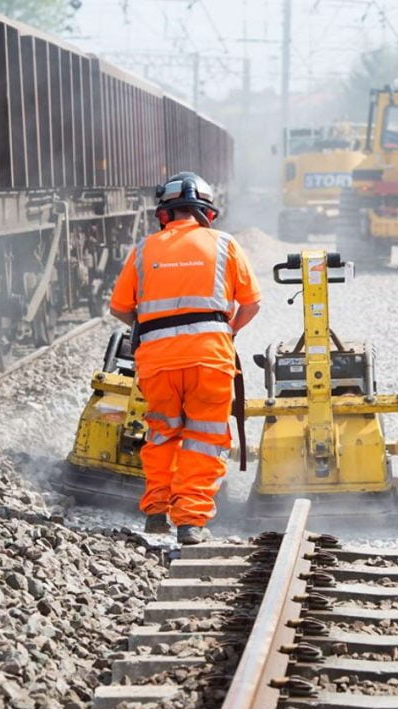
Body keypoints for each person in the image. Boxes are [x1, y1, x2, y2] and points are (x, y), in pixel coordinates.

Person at [108, 172, 261, 545]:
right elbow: (252, 303)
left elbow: (119, 309)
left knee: (162, 433)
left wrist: (151, 328)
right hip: (210, 358)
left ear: (164, 213)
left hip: (157, 361)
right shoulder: (225, 244)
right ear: (207, 212)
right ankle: (190, 522)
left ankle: (157, 512)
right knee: (204, 437)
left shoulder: (144, 249)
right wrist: (227, 331)